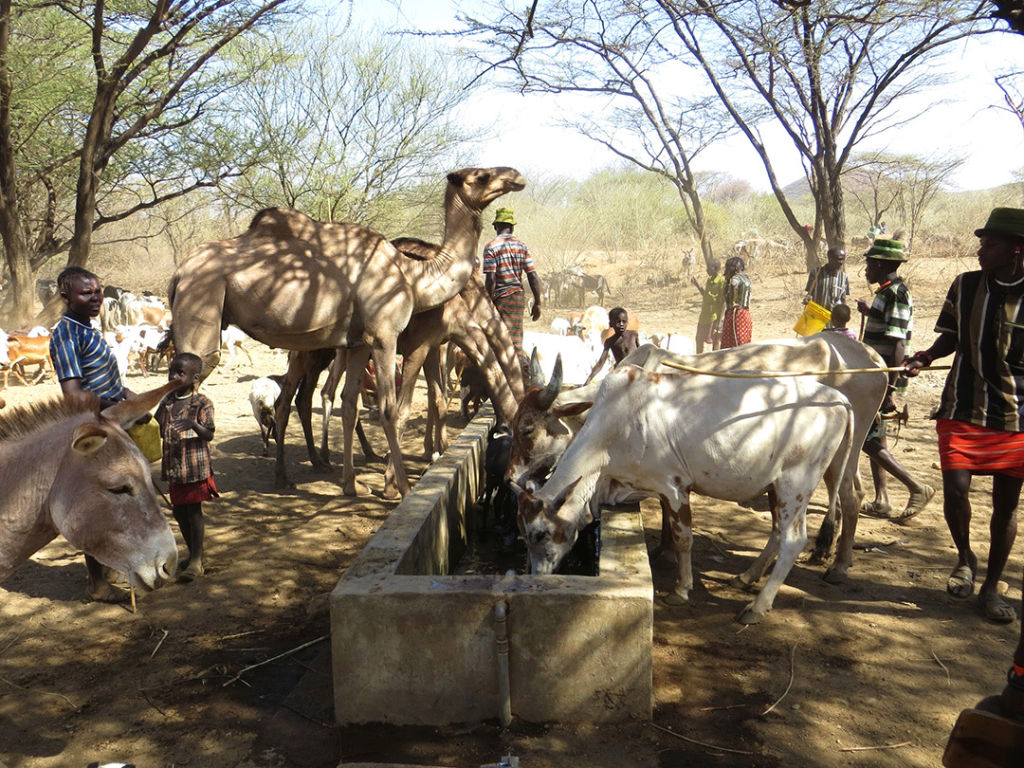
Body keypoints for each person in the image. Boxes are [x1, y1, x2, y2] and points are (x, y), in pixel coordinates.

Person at [904, 207, 1024, 625]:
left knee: (1006, 507)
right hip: (962, 406)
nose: (980, 250)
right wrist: (923, 357)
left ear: (1016, 250)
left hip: (1016, 417)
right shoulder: (966, 285)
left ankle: (991, 587)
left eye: (990, 244)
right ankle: (965, 558)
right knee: (956, 491)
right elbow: (951, 337)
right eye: (981, 242)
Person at [50, 266, 133, 601]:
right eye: (87, 292)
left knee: (116, 497)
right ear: (65, 296)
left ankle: (108, 563)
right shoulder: (66, 333)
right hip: (93, 428)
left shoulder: (87, 328)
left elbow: (104, 380)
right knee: (99, 500)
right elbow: (73, 394)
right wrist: (117, 406)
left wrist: (132, 399)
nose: (96, 297)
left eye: (98, 290)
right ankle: (98, 584)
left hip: (111, 422)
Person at [855, 239, 935, 523]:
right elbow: (887, 328)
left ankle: (916, 487)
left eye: (868, 264)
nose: (865, 270)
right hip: (879, 376)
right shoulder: (886, 293)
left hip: (883, 378)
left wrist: (889, 388)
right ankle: (882, 500)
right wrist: (870, 312)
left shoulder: (897, 295)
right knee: (878, 435)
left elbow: (898, 343)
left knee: (866, 438)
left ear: (879, 264)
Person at [155, 352, 218, 582]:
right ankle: (193, 554)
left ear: (195, 377)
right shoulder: (168, 402)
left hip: (193, 468)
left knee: (193, 512)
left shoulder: (202, 403)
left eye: (180, 372)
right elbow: (158, 427)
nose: (173, 376)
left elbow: (209, 434)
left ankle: (196, 561)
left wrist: (193, 424)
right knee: (179, 512)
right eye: (171, 371)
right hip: (174, 467)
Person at [482, 207, 542, 353]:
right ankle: (516, 365)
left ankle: (513, 370)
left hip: (501, 298)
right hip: (518, 298)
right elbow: (532, 275)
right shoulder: (522, 247)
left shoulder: (491, 247)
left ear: (496, 226)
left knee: (499, 340)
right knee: (515, 337)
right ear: (511, 227)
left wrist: (487, 303)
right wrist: (538, 302)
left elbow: (490, 279)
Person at [584, 307, 639, 385]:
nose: (621, 324)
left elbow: (641, 351)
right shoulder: (610, 341)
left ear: (627, 322)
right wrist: (588, 380)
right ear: (611, 324)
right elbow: (601, 362)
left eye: (624, 321)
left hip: (636, 373)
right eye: (618, 322)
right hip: (621, 374)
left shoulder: (633, 334)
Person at [804, 246, 850, 320]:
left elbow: (843, 299)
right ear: (830, 259)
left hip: (834, 320)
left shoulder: (843, 277)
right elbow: (809, 293)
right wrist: (807, 299)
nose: (841, 262)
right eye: (839, 259)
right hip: (817, 319)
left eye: (843, 259)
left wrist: (844, 317)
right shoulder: (816, 273)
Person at [691, 258, 725, 353]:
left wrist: (719, 321)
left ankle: (715, 360)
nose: (707, 270)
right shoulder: (709, 280)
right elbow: (705, 295)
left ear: (716, 268)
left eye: (709, 269)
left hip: (714, 317)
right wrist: (697, 285)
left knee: (715, 341)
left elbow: (723, 303)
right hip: (704, 315)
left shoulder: (722, 282)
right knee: (699, 339)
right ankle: (699, 359)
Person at [719, 256, 752, 348]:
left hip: (736, 315)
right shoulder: (746, 278)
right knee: (744, 342)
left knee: (732, 343)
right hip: (746, 314)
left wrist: (732, 302)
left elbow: (733, 284)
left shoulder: (736, 278)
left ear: (735, 269)